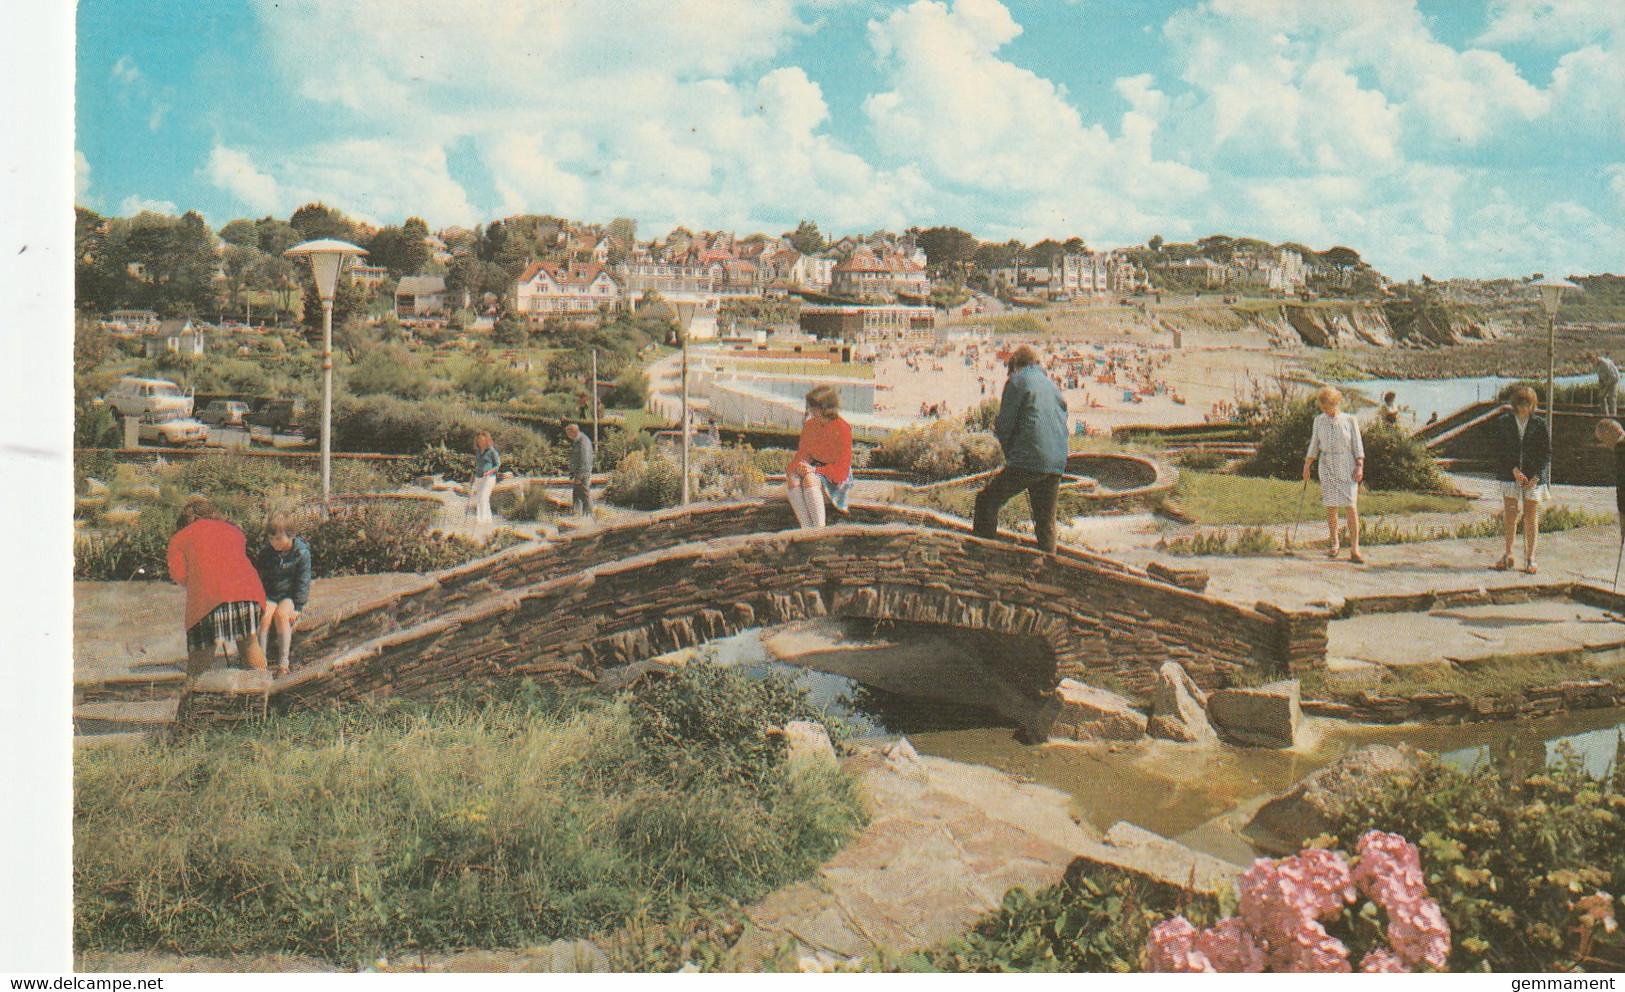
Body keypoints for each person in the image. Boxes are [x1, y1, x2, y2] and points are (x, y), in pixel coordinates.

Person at [974, 345, 1069, 554]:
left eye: (1009, 369)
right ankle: (1048, 574)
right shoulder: (1053, 387)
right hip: (1056, 462)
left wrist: (1012, 457)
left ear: (1016, 365)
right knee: (1046, 524)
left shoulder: (1016, 382)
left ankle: (981, 559)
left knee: (986, 501)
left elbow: (1005, 426)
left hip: (1029, 458)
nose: (1008, 374)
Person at [167, 496, 269, 677]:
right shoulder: (234, 531)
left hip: (208, 601)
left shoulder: (179, 539)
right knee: (249, 644)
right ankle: (262, 691)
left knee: (199, 661)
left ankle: (194, 700)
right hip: (249, 595)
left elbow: (180, 576)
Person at [1490, 385, 1550, 574]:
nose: (1524, 408)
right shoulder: (1504, 422)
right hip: (1510, 475)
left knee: (1531, 517)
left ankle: (1531, 558)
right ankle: (1508, 554)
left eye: (1528, 404)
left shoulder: (1540, 424)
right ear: (1514, 404)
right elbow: (1499, 451)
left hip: (1533, 478)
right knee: (1510, 515)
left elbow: (1546, 453)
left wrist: (1536, 476)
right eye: (1521, 404)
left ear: (1533, 405)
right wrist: (1514, 470)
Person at [1303, 386, 1366, 563]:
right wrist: (1307, 465)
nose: (1324, 409)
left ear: (1336, 403)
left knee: (1351, 506)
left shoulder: (1349, 420)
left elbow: (1357, 445)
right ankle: (1335, 543)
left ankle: (1355, 547)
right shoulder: (1319, 421)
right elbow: (1314, 444)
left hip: (1347, 464)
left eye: (1327, 406)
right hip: (1327, 465)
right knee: (1331, 506)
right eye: (1322, 406)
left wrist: (1360, 466)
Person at [786, 384, 853, 528]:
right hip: (814, 467)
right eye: (810, 407)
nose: (810, 411)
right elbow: (803, 453)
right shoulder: (810, 425)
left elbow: (841, 470)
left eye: (814, 407)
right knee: (793, 479)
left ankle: (819, 530)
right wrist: (800, 466)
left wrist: (814, 471)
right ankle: (807, 529)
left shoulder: (843, 428)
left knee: (809, 480)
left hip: (834, 473)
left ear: (825, 408)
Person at [255, 511, 311, 678]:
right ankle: (260, 663)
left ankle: (283, 663)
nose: (274, 543)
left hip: (289, 595)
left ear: (291, 536)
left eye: (278, 539)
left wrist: (298, 607)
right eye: (271, 539)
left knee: (281, 616)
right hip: (271, 593)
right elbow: (259, 576)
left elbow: (303, 581)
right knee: (265, 617)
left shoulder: (301, 553)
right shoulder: (267, 552)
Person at [1594, 419, 1625, 535]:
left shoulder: (1621, 447)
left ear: (1615, 433)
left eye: (1605, 440)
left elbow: (1622, 484)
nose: (1606, 445)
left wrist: (1622, 513)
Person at [564, 422, 594, 517]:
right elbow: (576, 458)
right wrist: (572, 472)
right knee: (577, 494)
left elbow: (584, 460)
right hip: (579, 473)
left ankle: (588, 516)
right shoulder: (578, 441)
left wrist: (580, 477)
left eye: (569, 434)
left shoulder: (583, 442)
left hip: (583, 473)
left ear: (574, 432)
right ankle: (577, 514)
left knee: (585, 494)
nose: (568, 436)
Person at [471, 429, 500, 524]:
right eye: (479, 440)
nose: (480, 442)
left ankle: (482, 520)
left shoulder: (491, 450)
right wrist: (473, 477)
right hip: (479, 477)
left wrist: (490, 472)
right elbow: (477, 465)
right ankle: (487, 520)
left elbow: (498, 464)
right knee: (481, 498)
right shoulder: (478, 451)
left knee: (484, 497)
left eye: (482, 440)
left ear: (486, 440)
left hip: (489, 478)